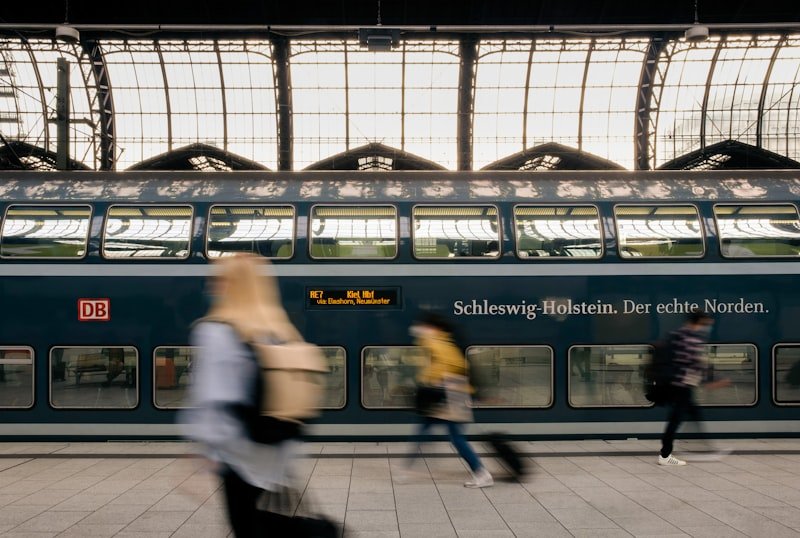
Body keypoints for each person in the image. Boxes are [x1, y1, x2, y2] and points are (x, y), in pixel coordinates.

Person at [182, 254, 310, 536]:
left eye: (217, 280)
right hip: (275, 450)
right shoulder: (279, 329)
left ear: (229, 285)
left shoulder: (216, 331)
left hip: (238, 454)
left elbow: (214, 395)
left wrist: (204, 451)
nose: (211, 286)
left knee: (246, 526)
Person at [406, 311, 493, 488]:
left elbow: (448, 367)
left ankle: (482, 473)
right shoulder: (444, 341)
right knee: (425, 428)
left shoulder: (436, 342)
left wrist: (429, 381)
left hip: (453, 395)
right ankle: (408, 468)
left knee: (455, 437)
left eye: (424, 326)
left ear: (433, 328)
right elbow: (444, 366)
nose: (419, 329)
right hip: (451, 393)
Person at [658, 308, 723, 466]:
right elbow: (696, 363)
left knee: (692, 413)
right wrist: (710, 381)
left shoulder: (679, 334)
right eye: (706, 323)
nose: (707, 327)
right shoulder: (692, 339)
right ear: (699, 322)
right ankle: (666, 455)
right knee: (676, 420)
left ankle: (705, 447)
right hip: (682, 385)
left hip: (676, 384)